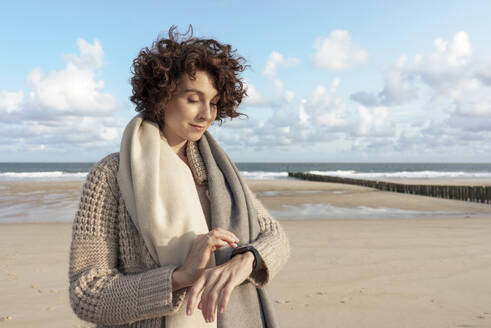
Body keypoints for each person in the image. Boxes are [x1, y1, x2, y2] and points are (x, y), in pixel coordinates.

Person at [68, 25, 290, 328]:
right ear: (162, 96)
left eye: (213, 103)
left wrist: (245, 261)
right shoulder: (110, 176)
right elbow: (86, 294)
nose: (206, 115)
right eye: (193, 99)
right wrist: (177, 278)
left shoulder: (219, 174)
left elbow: (275, 236)